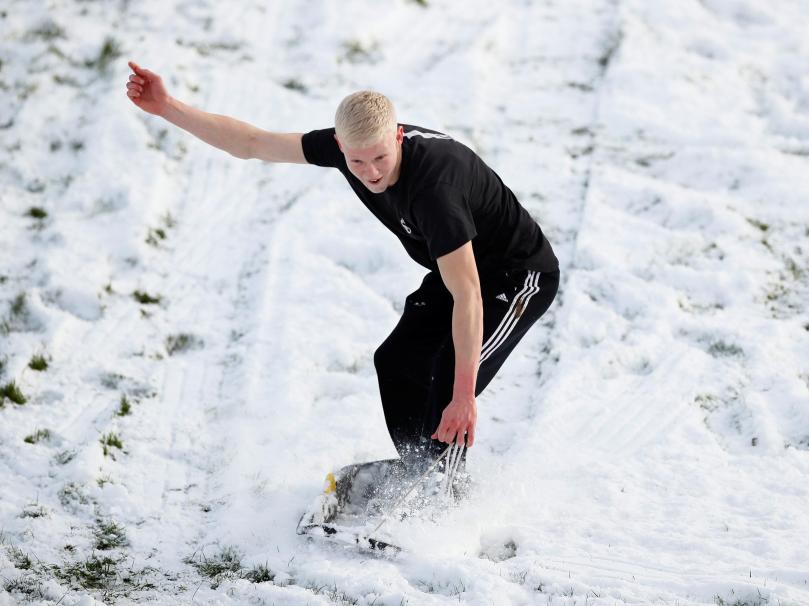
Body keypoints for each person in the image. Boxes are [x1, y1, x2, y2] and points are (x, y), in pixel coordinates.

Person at [125, 60, 560, 476]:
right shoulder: (345, 148)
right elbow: (254, 143)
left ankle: (438, 494)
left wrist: (465, 396)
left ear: (398, 137)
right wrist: (167, 107)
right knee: (397, 362)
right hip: (459, 268)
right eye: (357, 162)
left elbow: (468, 294)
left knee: (449, 381)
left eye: (379, 158)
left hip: (516, 277)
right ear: (340, 146)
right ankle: (421, 470)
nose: (370, 173)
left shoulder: (435, 191)